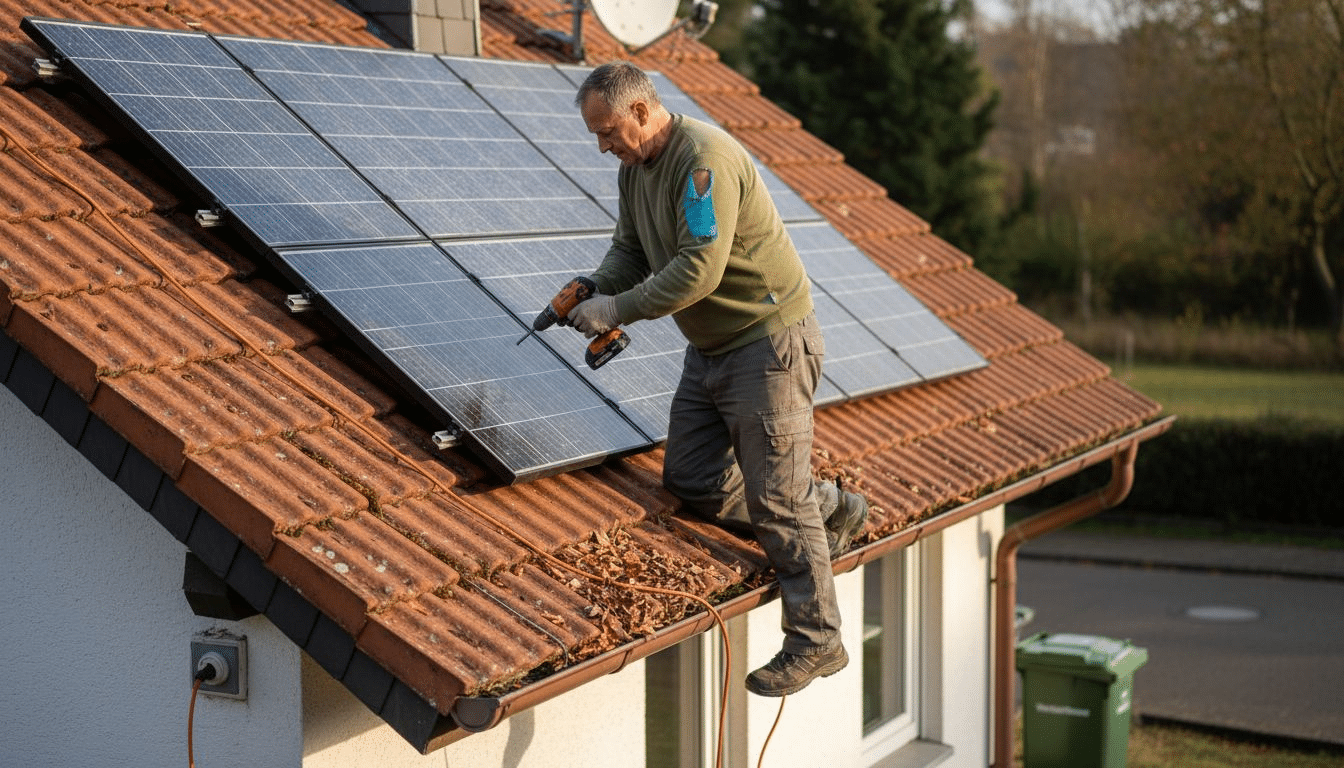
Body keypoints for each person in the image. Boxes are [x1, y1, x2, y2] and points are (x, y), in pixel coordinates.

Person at [567, 62, 868, 697]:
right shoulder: (635, 168)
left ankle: (818, 641)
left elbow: (700, 270)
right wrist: (596, 286)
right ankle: (835, 507)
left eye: (609, 130)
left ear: (644, 112)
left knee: (779, 501)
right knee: (693, 479)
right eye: (596, 134)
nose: (603, 146)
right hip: (710, 349)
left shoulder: (702, 161)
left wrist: (617, 310)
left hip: (768, 345)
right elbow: (631, 250)